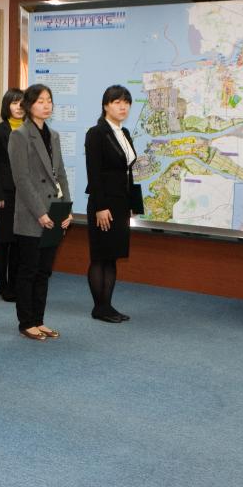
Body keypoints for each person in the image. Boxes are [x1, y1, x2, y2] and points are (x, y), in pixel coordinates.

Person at [9, 83, 73, 341]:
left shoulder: (54, 135)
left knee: (45, 270)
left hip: (55, 212)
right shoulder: (20, 135)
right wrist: (40, 213)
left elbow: (62, 174)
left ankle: (39, 319)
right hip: (32, 213)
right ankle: (26, 322)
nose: (46, 105)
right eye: (40, 101)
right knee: (29, 269)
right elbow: (21, 179)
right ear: (28, 105)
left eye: (49, 100)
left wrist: (66, 208)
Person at [84, 85, 138, 323]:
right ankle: (99, 308)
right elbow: (93, 173)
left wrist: (133, 203)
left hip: (120, 203)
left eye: (126, 102)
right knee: (100, 256)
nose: (123, 106)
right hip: (103, 203)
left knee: (112, 256)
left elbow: (128, 172)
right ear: (106, 105)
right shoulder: (96, 133)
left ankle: (108, 305)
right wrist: (100, 207)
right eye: (117, 102)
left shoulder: (124, 133)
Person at [0, 88, 24, 302]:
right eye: (14, 102)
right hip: (5, 195)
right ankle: (4, 286)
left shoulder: (30, 130)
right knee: (4, 242)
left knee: (19, 242)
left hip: (25, 196)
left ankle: (17, 283)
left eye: (22, 103)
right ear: (6, 106)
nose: (19, 107)